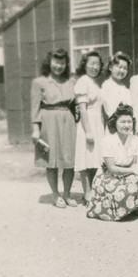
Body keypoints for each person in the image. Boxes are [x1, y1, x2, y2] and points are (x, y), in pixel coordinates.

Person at [30, 49, 78, 208]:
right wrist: (36, 129)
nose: (59, 66)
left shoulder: (71, 81)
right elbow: (35, 108)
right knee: (52, 161)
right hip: (48, 121)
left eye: (62, 63)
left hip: (68, 120)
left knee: (69, 160)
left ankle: (68, 193)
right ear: (49, 62)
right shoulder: (39, 82)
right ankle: (56, 194)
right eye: (56, 62)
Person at [86, 104, 138, 221]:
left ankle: (129, 208)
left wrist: (136, 171)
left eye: (129, 122)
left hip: (126, 174)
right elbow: (112, 168)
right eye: (123, 122)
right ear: (115, 123)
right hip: (108, 177)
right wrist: (134, 170)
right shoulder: (107, 140)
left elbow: (134, 163)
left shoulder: (135, 140)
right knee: (116, 190)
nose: (126, 125)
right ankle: (117, 209)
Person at [74, 50, 105, 203]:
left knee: (94, 158)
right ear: (84, 65)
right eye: (91, 64)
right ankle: (87, 193)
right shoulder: (82, 81)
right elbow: (82, 108)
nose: (95, 67)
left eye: (97, 64)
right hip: (87, 123)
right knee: (85, 158)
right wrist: (88, 131)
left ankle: (93, 190)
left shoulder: (94, 82)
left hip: (98, 123)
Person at [101, 51, 132, 119]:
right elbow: (111, 110)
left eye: (125, 68)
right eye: (119, 67)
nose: (122, 70)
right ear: (110, 67)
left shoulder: (124, 88)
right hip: (114, 123)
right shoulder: (107, 86)